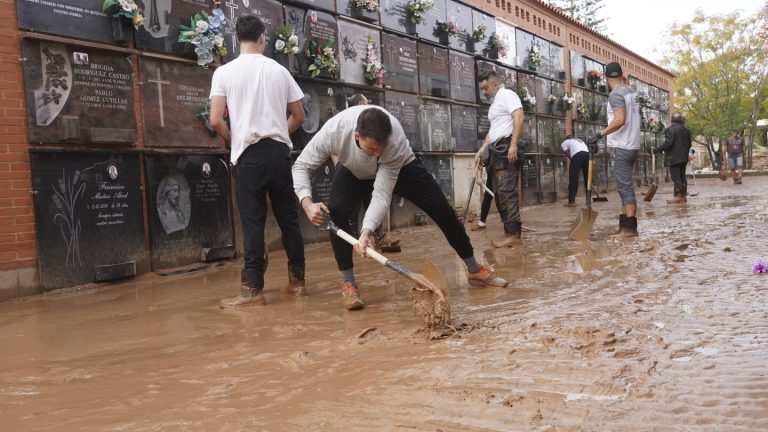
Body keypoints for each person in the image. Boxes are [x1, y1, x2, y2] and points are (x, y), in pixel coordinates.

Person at [293, 106, 509, 310]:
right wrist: (307, 203)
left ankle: (474, 269)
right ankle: (348, 283)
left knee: (442, 210)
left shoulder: (394, 143)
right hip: (353, 169)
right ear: (357, 136)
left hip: (402, 166)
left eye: (381, 148)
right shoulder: (333, 131)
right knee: (337, 211)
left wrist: (366, 231)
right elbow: (301, 166)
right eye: (371, 148)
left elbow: (381, 194)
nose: (376, 154)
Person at [209, 15, 307, 307]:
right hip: (279, 154)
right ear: (262, 37)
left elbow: (215, 120)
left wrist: (235, 139)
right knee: (289, 218)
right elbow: (299, 116)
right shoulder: (279, 70)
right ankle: (298, 282)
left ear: (236, 39)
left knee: (253, 223)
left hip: (248, 155)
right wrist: (280, 132)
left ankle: (252, 290)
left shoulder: (224, 73)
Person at [587, 62, 641, 237]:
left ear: (606, 77)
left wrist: (599, 134)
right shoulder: (631, 92)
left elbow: (619, 120)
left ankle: (630, 229)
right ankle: (624, 224)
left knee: (625, 187)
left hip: (622, 146)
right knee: (623, 186)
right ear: (620, 75)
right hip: (633, 145)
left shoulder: (615, 94)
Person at [474, 71, 525, 247]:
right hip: (496, 150)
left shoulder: (507, 95)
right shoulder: (494, 105)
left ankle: (513, 234)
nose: (484, 92)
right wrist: (482, 148)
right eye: (481, 89)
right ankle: (509, 232)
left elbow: (519, 117)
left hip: (506, 148)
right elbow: (493, 131)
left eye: (485, 88)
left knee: (507, 190)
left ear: (495, 85)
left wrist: (513, 144)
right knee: (499, 193)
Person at [654, 113, 692, 203]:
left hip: (674, 157)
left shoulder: (670, 130)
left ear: (672, 120)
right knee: (682, 176)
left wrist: (657, 149)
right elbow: (689, 143)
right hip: (683, 157)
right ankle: (683, 196)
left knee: (676, 177)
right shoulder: (686, 130)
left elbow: (668, 143)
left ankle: (678, 196)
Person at [560, 135, 590, 207]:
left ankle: (571, 201)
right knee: (588, 179)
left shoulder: (565, 142)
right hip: (588, 156)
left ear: (567, 139)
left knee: (573, 178)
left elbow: (566, 151)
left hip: (577, 156)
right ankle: (588, 201)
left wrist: (572, 159)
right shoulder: (580, 140)